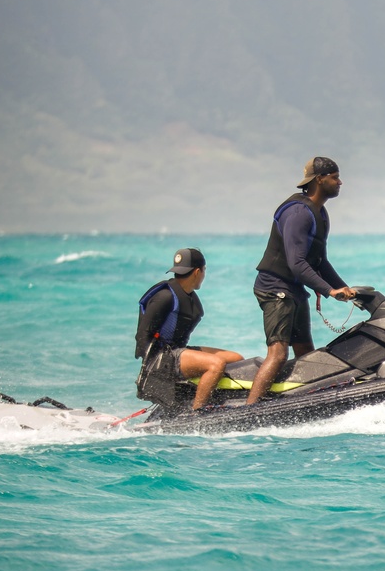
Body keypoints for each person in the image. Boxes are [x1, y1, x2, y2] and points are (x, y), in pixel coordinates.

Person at [247, 156, 356, 404]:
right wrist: (329, 292)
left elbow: (321, 262)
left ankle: (304, 403)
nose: (341, 182)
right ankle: (250, 410)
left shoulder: (320, 213)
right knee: (278, 353)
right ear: (319, 179)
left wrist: (343, 287)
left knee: (306, 352)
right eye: (335, 177)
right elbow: (297, 264)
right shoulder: (298, 213)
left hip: (294, 289)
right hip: (275, 289)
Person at [135, 248, 244, 410]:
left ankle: (212, 399)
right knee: (216, 364)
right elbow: (142, 335)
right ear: (198, 272)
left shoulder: (190, 298)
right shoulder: (165, 297)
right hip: (163, 359)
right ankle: (196, 412)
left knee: (236, 358)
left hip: (178, 351)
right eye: (204, 271)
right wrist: (154, 372)